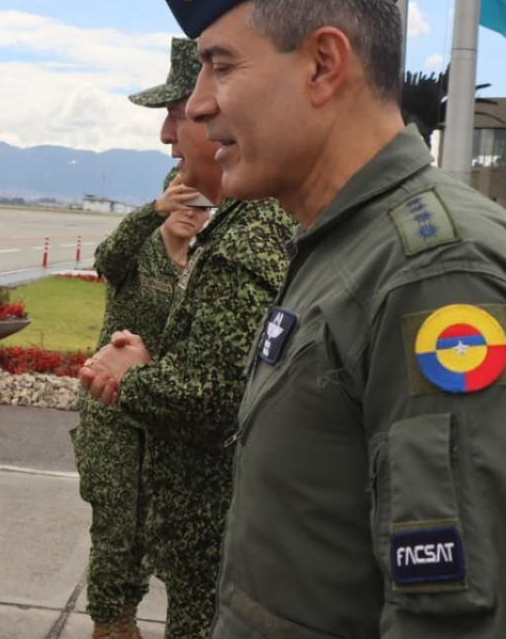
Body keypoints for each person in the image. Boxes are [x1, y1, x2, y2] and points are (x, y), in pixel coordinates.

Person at [142, 0, 506, 637]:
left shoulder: (437, 272)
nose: (199, 106)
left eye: (219, 67)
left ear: (322, 64)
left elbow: (472, 617)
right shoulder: (346, 242)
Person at [80, 38, 293, 639]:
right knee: (118, 535)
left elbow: (211, 391)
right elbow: (111, 259)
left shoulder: (243, 233)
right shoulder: (178, 235)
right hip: (151, 462)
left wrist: (136, 376)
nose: (169, 136)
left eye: (181, 115)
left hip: (220, 539)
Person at [74, 156, 208, 639]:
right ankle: (106, 622)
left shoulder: (198, 267)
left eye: (200, 204)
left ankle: (126, 614)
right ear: (166, 198)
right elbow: (107, 258)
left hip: (154, 410)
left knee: (147, 527)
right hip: (109, 406)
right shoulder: (141, 251)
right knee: (114, 523)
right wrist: (152, 211)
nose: (190, 211)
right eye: (181, 199)